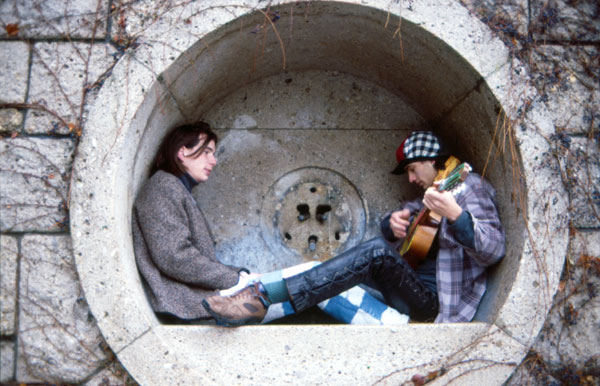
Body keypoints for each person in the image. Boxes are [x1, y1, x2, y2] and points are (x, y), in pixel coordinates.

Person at [203, 131, 506, 325]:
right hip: (406, 290)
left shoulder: (470, 189)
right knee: (316, 270)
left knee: (378, 254)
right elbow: (406, 216)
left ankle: (261, 297)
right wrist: (391, 223)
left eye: (413, 169)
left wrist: (457, 215)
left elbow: (494, 249)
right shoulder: (432, 196)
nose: (411, 179)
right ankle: (242, 306)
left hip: (435, 304)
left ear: (432, 160)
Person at [132, 122, 407, 325]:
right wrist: (237, 278)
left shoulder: (174, 190)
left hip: (213, 299)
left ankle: (391, 320)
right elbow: (173, 256)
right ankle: (396, 326)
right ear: (182, 152)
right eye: (207, 152)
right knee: (316, 277)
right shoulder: (162, 187)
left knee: (320, 282)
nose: (214, 161)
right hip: (197, 306)